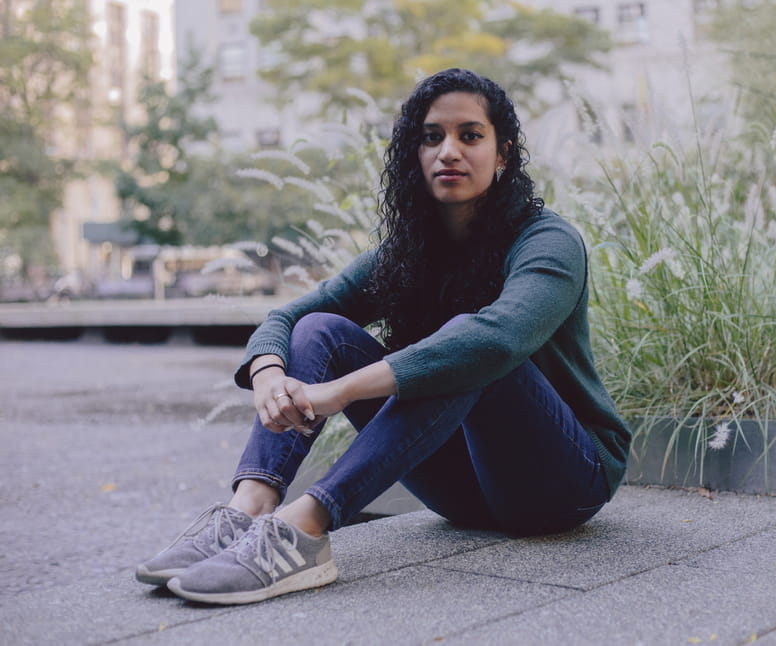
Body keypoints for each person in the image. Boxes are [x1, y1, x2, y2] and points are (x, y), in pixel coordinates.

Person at [136, 68, 632, 605]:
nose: (448, 151)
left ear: (503, 154)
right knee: (320, 329)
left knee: (467, 343)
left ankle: (305, 528)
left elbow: (497, 339)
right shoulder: (408, 255)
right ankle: (248, 508)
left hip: (562, 483)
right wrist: (268, 373)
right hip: (461, 491)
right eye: (431, 137)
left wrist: (341, 392)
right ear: (412, 155)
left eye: (470, 135)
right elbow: (289, 316)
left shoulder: (548, 242)